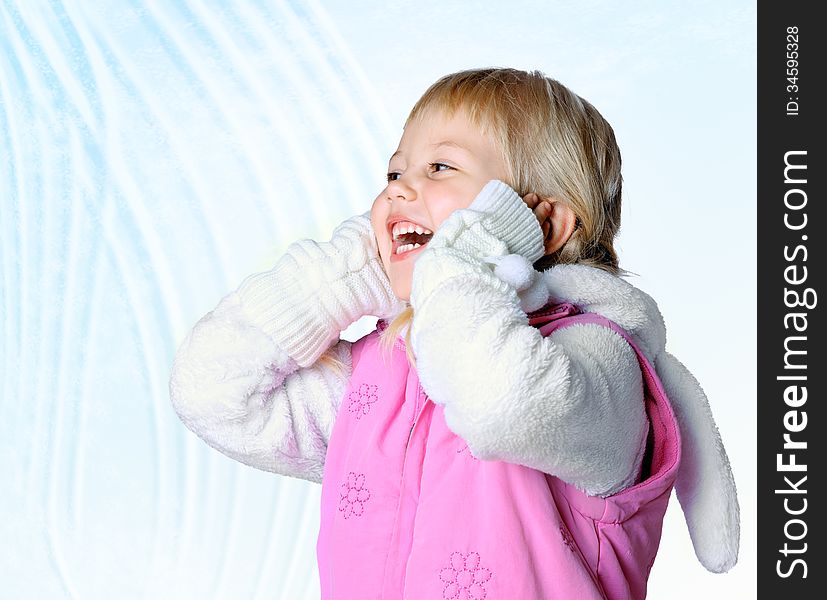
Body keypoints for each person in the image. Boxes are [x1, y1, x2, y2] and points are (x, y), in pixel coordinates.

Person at [169, 68, 739, 599]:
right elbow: (215, 392)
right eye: (394, 172)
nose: (397, 190)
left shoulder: (597, 360)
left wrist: (463, 259)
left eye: (439, 169)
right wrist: (350, 273)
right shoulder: (387, 369)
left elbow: (501, 406)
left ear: (542, 224)